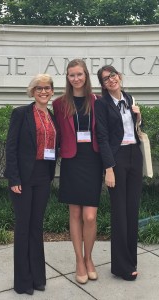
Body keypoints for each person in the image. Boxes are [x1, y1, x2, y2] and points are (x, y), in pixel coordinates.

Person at [4, 74, 58, 295]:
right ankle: (23, 282)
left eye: (47, 88)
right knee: (23, 227)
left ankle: (38, 278)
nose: (43, 92)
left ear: (52, 91)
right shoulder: (21, 114)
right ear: (32, 91)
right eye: (39, 88)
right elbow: (11, 147)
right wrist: (14, 178)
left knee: (37, 226)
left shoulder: (52, 116)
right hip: (23, 179)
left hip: (43, 177)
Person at [52, 59, 103, 284]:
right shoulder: (60, 103)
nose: (76, 79)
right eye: (71, 75)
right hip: (72, 160)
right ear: (67, 77)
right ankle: (79, 261)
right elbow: (56, 133)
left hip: (93, 160)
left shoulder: (98, 101)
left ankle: (89, 257)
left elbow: (110, 128)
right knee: (74, 214)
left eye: (79, 74)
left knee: (90, 216)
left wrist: (136, 115)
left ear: (86, 75)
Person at [94, 65, 143, 281]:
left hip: (135, 154)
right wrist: (109, 168)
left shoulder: (129, 97)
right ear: (103, 85)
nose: (111, 80)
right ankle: (121, 266)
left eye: (112, 75)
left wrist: (139, 116)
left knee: (132, 210)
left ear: (119, 76)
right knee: (119, 212)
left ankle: (131, 260)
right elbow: (102, 138)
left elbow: (136, 129)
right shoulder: (102, 104)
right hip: (117, 158)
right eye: (105, 79)